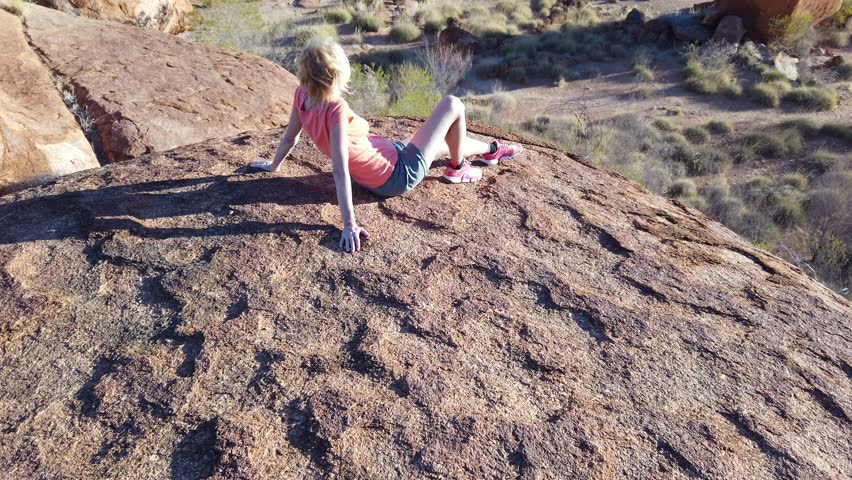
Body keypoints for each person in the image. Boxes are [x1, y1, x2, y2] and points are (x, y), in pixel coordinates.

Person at [250, 39, 522, 253]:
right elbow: (339, 170)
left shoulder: (301, 94)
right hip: (395, 175)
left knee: (440, 142)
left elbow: (289, 138)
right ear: (337, 74)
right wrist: (349, 225)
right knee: (453, 104)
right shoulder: (335, 108)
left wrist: (273, 166)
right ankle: (457, 168)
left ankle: (492, 149)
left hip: (386, 155)